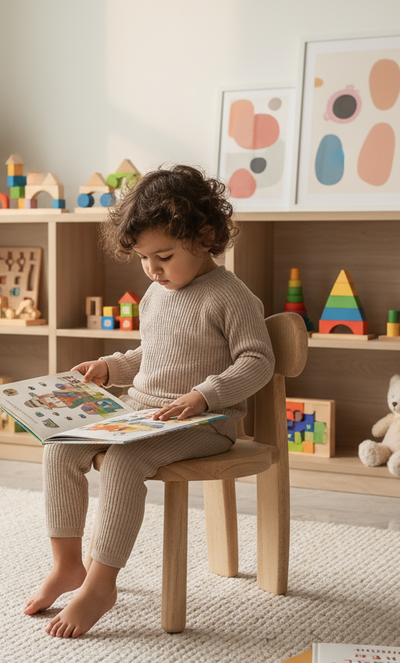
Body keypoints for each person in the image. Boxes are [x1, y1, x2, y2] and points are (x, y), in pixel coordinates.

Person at [24, 164, 275, 638]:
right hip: (141, 413)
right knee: (59, 445)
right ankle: (67, 565)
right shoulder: (156, 294)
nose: (152, 269)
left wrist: (205, 396)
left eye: (163, 255)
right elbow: (151, 354)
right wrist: (112, 369)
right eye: (143, 258)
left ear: (204, 237)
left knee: (122, 463)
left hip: (206, 424)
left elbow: (257, 361)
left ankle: (101, 584)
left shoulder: (231, 295)